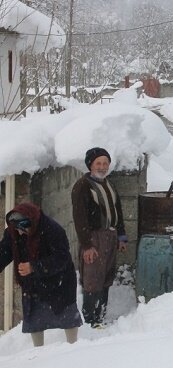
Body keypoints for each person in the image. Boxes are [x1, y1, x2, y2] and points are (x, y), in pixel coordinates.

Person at [0, 202, 82, 347]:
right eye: (16, 229)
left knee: (67, 317)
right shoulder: (13, 232)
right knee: (35, 320)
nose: (19, 233)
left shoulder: (52, 230)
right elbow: (3, 252)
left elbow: (62, 258)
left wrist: (34, 267)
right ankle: (38, 354)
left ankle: (73, 349)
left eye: (22, 228)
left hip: (59, 282)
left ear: (31, 222)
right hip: (33, 285)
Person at [71, 147, 127, 328]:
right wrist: (87, 245)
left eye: (105, 163)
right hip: (93, 238)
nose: (102, 167)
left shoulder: (108, 184)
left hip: (110, 236)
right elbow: (80, 218)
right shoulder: (83, 186)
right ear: (90, 165)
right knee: (92, 279)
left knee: (106, 277)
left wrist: (121, 236)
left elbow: (117, 211)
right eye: (98, 163)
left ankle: (100, 316)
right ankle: (90, 321)